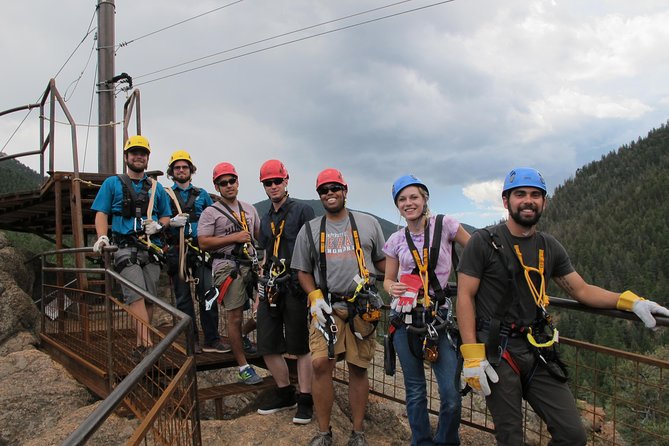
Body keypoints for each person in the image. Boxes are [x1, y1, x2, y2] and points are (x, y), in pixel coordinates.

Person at [456, 167, 669, 445]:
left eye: (535, 195)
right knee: (510, 437)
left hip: (537, 348)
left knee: (572, 434)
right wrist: (472, 354)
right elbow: (464, 297)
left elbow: (581, 290)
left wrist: (630, 302)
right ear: (506, 201)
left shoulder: (548, 246)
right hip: (497, 348)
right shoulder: (483, 243)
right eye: (520, 194)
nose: (528, 200)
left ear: (544, 202)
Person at [292, 168, 386, 446]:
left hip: (361, 305)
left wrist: (402, 273)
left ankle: (357, 434)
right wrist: (314, 297)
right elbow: (302, 270)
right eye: (324, 190)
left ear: (345, 190)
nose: (330, 193)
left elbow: (381, 260)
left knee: (358, 367)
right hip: (327, 306)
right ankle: (324, 432)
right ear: (319, 195)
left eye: (335, 188)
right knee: (321, 363)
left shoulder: (368, 224)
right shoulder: (310, 230)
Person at [383, 175, 470, 446]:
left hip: (437, 319)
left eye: (413, 197)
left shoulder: (445, 226)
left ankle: (445, 441)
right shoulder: (397, 239)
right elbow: (388, 278)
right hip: (406, 318)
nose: (408, 204)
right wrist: (391, 288)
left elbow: (476, 250)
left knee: (451, 395)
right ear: (397, 205)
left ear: (425, 199)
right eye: (402, 200)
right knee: (416, 391)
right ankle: (420, 441)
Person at [91, 135, 172, 360]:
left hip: (151, 247)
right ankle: (149, 346)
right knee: (135, 293)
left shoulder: (157, 188)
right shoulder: (112, 184)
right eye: (134, 152)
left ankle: (140, 343)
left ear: (147, 158)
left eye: (143, 153)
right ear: (126, 156)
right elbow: (101, 212)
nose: (139, 156)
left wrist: (158, 226)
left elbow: (166, 215)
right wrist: (102, 237)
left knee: (149, 297)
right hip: (125, 245)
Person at [255, 160, 316, 423]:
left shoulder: (302, 211)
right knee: (266, 343)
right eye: (268, 183)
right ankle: (284, 391)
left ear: (286, 181)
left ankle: (306, 398)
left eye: (277, 181)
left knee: (300, 345)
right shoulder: (266, 216)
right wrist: (260, 286)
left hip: (295, 284)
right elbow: (264, 253)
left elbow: (312, 249)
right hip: (271, 284)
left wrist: (313, 289)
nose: (273, 186)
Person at [198, 162, 263, 385]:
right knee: (234, 316)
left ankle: (243, 336)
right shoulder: (211, 212)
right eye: (223, 183)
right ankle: (243, 366)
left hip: (250, 263)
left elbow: (257, 237)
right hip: (227, 266)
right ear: (217, 187)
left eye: (231, 181)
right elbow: (204, 242)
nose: (228, 185)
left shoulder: (250, 209)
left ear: (237, 182)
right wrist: (233, 238)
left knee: (266, 307)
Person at [164, 150, 228, 354]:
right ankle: (190, 340)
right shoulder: (165, 195)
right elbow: (159, 218)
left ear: (191, 170)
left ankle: (212, 339)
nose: (181, 170)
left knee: (208, 294)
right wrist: (170, 224)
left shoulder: (202, 195)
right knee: (183, 298)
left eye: (184, 167)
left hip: (200, 250)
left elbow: (214, 218)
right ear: (172, 171)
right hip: (177, 249)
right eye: (177, 167)